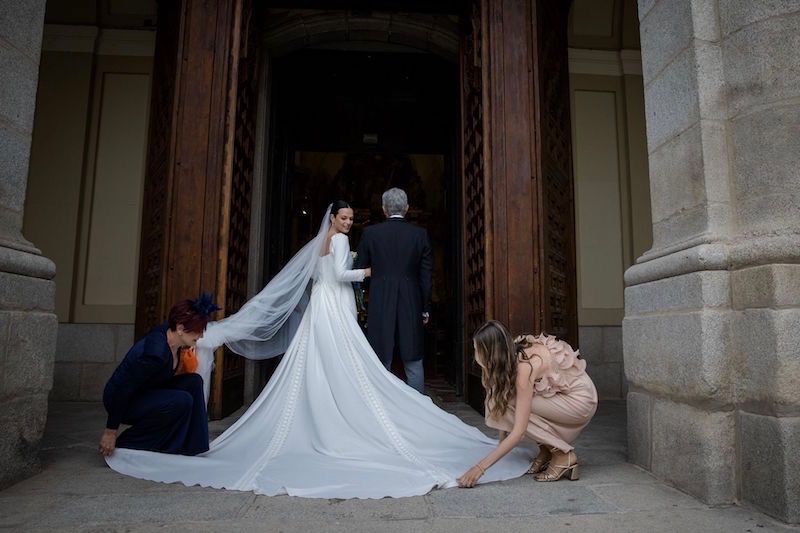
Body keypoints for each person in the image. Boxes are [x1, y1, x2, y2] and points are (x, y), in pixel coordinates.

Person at [105, 202, 532, 499]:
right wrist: (363, 270)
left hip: (330, 306)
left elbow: (327, 272)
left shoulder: (335, 239)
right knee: (338, 359)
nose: (347, 223)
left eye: (348, 219)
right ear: (336, 217)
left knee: (332, 360)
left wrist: (351, 263)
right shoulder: (337, 241)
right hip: (334, 304)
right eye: (343, 218)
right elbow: (336, 274)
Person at [458, 320, 598, 488]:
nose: (476, 355)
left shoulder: (524, 368)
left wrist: (479, 468)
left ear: (490, 353)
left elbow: (518, 432)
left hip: (580, 401)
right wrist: (503, 437)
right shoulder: (514, 349)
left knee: (514, 405)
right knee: (503, 398)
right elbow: (502, 394)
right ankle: (547, 450)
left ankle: (562, 455)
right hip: (570, 395)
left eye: (477, 350)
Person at [99, 296, 219, 457]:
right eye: (198, 331)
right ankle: (128, 442)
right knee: (181, 400)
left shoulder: (170, 335)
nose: (201, 336)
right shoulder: (154, 356)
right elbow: (124, 389)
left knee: (194, 381)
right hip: (122, 401)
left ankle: (194, 446)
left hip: (146, 391)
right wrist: (110, 431)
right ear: (181, 328)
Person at [355, 187, 432, 394]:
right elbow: (426, 276)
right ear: (406, 208)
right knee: (413, 359)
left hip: (380, 299)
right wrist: (425, 308)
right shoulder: (420, 234)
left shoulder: (371, 233)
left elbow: (360, 269)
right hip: (411, 301)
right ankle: (418, 410)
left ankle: (383, 408)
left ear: (383, 209)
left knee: (381, 357)